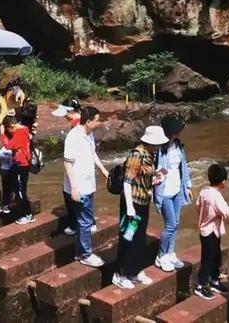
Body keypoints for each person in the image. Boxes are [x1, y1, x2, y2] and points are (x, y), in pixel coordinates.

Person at [113, 125, 168, 289]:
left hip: (143, 202)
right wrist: (129, 207)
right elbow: (127, 183)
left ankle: (134, 271)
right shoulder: (136, 155)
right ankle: (120, 273)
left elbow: (142, 178)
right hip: (133, 204)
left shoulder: (150, 154)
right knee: (128, 237)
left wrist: (155, 179)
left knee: (139, 238)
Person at [63, 106, 108, 266]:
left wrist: (102, 169)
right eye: (97, 120)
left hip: (89, 184)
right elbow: (67, 163)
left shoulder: (88, 135)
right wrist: (74, 187)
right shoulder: (73, 137)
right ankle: (84, 254)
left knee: (86, 220)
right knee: (85, 221)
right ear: (88, 122)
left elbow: (92, 152)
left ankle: (82, 252)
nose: (99, 123)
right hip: (79, 186)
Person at [195, 163, 229, 299]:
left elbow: (198, 205)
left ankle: (214, 280)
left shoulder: (204, 191)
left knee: (215, 256)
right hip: (210, 231)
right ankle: (201, 285)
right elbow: (228, 213)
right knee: (208, 259)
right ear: (223, 182)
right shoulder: (216, 196)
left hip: (206, 229)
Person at [153, 115, 192, 272]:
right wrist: (158, 176)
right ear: (171, 132)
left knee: (176, 224)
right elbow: (156, 170)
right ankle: (161, 256)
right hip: (165, 192)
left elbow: (184, 166)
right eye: (177, 131)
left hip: (177, 189)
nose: (180, 133)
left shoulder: (178, 146)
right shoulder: (159, 150)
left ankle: (170, 252)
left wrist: (188, 186)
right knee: (170, 225)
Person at [52, 97, 82, 235]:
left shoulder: (77, 127)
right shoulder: (83, 123)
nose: (64, 117)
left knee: (69, 194)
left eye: (65, 114)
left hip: (75, 166)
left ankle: (74, 226)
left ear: (70, 112)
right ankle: (85, 222)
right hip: (82, 167)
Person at [0, 115, 33, 224]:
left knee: (20, 190)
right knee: (18, 186)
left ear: (11, 127)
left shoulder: (19, 133)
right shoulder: (25, 129)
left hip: (21, 164)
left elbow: (8, 146)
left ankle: (26, 214)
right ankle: (10, 203)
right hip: (24, 162)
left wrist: (2, 134)